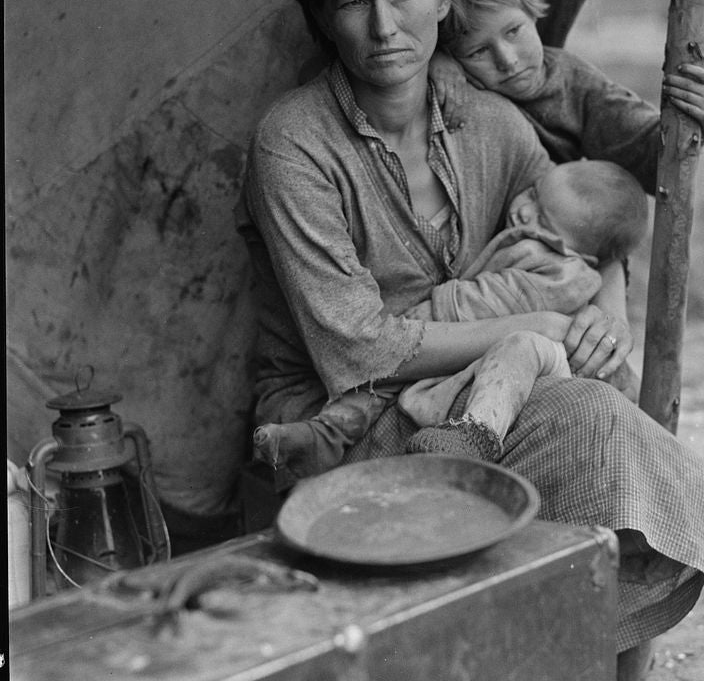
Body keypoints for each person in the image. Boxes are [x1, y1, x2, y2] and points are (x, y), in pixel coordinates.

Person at [236, 0, 704, 681]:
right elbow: (355, 347)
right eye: (352, 2)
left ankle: (523, 653)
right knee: (583, 412)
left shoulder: (489, 119)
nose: (384, 26)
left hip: (477, 395)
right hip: (345, 412)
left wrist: (607, 310)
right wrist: (535, 331)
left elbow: (574, 221)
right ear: (320, 16)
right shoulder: (294, 144)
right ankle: (484, 658)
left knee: (607, 398)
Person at [254, 157, 648, 479]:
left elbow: (492, 301)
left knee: (401, 376)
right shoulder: (543, 237)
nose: (523, 209)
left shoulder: (563, 275)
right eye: (532, 192)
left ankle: (473, 437)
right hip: (480, 343)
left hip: (507, 352)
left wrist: (434, 312)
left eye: (542, 220)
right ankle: (325, 435)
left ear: (583, 253)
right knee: (380, 384)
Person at [430, 0, 704, 191]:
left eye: (513, 31)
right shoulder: (449, 79)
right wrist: (433, 62)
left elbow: (647, 155)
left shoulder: (574, 82)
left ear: (532, 11)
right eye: (478, 52)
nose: (507, 61)